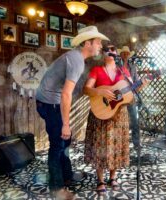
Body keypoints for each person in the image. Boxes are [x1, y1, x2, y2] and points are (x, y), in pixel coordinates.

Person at [35, 26, 109, 199]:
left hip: (46, 101)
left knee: (65, 142)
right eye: (97, 42)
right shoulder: (76, 60)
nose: (100, 45)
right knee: (58, 145)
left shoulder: (76, 57)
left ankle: (66, 176)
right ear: (87, 43)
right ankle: (57, 189)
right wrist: (66, 124)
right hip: (50, 104)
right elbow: (66, 94)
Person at [83, 49, 132, 195]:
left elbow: (131, 90)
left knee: (115, 145)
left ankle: (112, 177)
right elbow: (86, 89)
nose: (111, 52)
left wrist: (143, 84)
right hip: (100, 114)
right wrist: (99, 92)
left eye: (113, 50)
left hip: (119, 115)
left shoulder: (123, 71)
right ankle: (100, 180)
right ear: (103, 55)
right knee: (100, 146)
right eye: (107, 50)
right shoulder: (96, 70)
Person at [118, 46, 141, 148]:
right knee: (120, 120)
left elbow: (136, 81)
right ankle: (121, 143)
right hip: (120, 97)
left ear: (129, 55)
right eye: (123, 53)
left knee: (135, 120)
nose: (125, 55)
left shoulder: (133, 67)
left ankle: (136, 143)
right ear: (120, 55)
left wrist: (140, 83)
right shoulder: (116, 66)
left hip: (131, 96)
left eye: (127, 53)